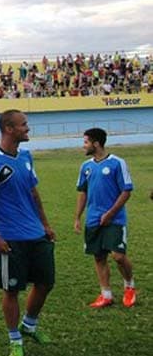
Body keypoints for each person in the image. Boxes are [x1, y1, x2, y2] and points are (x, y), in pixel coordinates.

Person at [0, 110, 56, 356]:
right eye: (24, 125)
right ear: (9, 129)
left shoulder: (25, 157)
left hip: (35, 233)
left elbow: (34, 193)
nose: (28, 129)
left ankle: (29, 325)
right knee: (12, 290)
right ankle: (14, 339)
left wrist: (45, 223)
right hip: (10, 237)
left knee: (45, 283)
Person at [73, 128, 136, 308]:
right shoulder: (86, 167)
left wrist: (110, 213)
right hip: (93, 220)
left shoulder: (117, 163)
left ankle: (129, 286)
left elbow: (126, 191)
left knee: (118, 256)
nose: (83, 145)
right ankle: (106, 294)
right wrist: (77, 217)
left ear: (96, 143)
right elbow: (83, 192)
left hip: (114, 219)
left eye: (86, 142)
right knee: (99, 257)